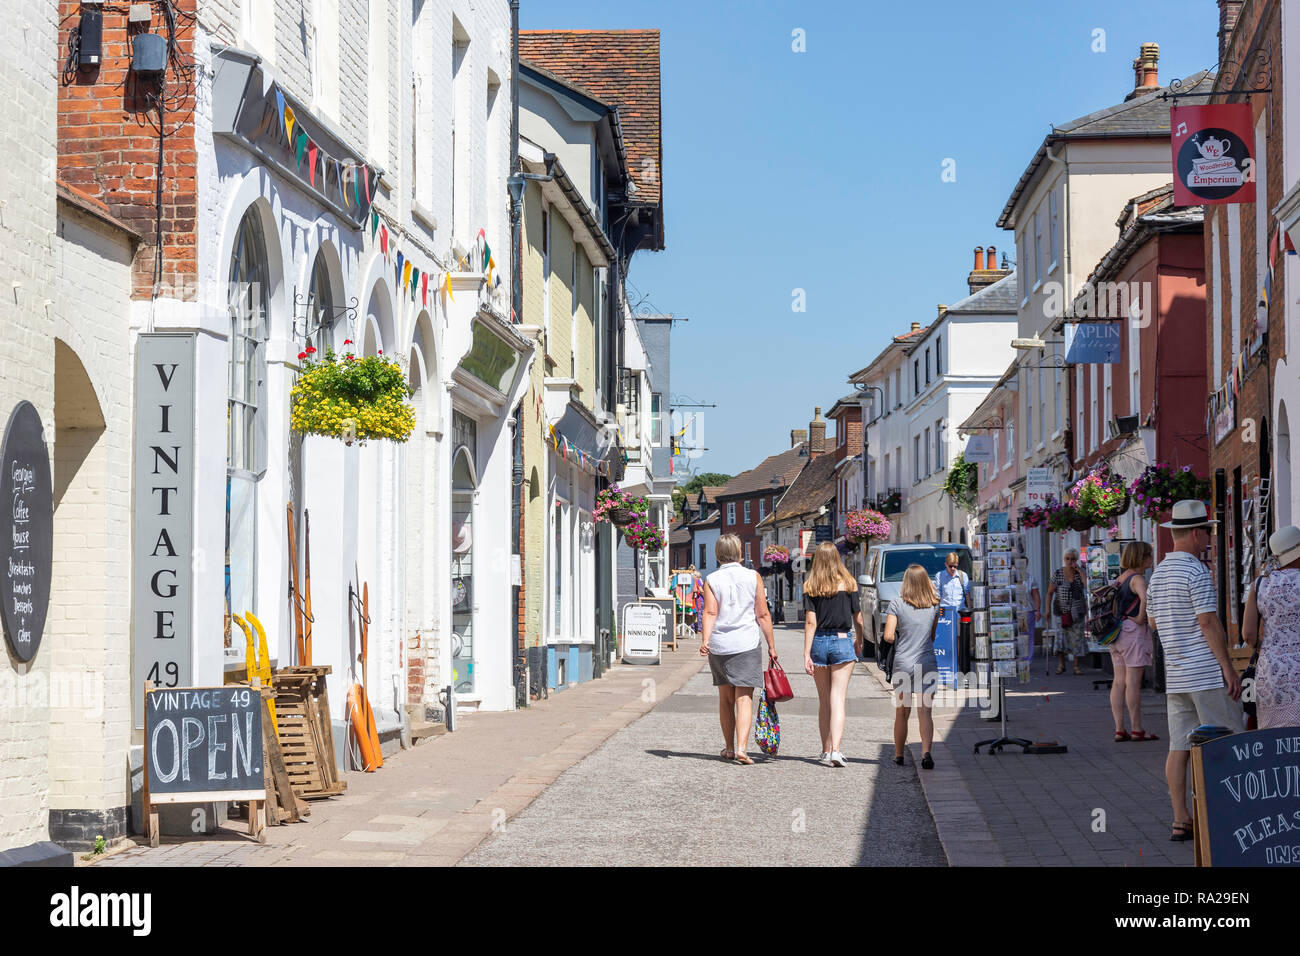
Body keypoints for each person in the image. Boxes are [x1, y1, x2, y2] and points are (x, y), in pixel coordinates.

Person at [1146, 500, 1243, 843]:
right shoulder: (1196, 571)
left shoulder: (1158, 574)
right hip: (1205, 674)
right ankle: (1232, 814)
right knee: (1230, 741)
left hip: (1176, 675)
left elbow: (1154, 623)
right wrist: (1227, 667)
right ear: (1196, 533)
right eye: (1207, 532)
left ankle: (1180, 819)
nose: (1209, 539)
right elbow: (1208, 621)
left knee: (1179, 748)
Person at [700, 533, 779, 764]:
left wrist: (705, 640)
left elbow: (710, 612)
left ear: (717, 554)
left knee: (725, 698)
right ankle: (743, 748)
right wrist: (772, 646)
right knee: (744, 698)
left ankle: (729, 748)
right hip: (746, 643)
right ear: (739, 554)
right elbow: (763, 614)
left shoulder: (712, 579)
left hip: (720, 645)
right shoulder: (753, 577)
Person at [802, 542, 867, 767]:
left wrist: (806, 653)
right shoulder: (849, 584)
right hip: (842, 640)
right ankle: (836, 751)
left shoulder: (811, 585)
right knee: (838, 699)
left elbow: (810, 622)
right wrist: (859, 638)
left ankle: (825, 749)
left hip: (819, 640)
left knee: (824, 701)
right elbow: (857, 618)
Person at [882, 564, 941, 770]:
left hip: (904, 663)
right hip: (926, 662)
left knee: (902, 712)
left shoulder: (897, 604)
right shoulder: (935, 605)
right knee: (925, 712)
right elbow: (932, 637)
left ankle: (899, 755)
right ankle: (926, 753)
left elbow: (888, 636)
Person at [1243, 525, 1300, 728]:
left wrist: (1263, 645)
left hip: (1271, 670)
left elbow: (1247, 633)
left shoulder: (1260, 584)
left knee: (1274, 739)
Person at [1110, 541, 1156, 742]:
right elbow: (1146, 599)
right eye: (1149, 555)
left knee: (1119, 681)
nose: (1151, 560)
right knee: (1133, 683)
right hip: (1132, 633)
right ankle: (1137, 728)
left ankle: (1120, 728)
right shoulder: (1137, 579)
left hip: (1116, 632)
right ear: (1142, 557)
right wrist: (1140, 617)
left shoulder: (1120, 579)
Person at [1047, 549, 1089, 675]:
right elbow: (1049, 593)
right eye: (1068, 559)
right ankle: (1061, 665)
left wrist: (1080, 570)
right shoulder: (1058, 573)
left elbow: (1087, 585)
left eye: (1073, 559)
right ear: (1064, 559)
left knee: (1077, 638)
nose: (1070, 561)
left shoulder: (1080, 573)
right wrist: (1047, 609)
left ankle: (1076, 666)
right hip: (1061, 611)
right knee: (1061, 638)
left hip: (1078, 612)